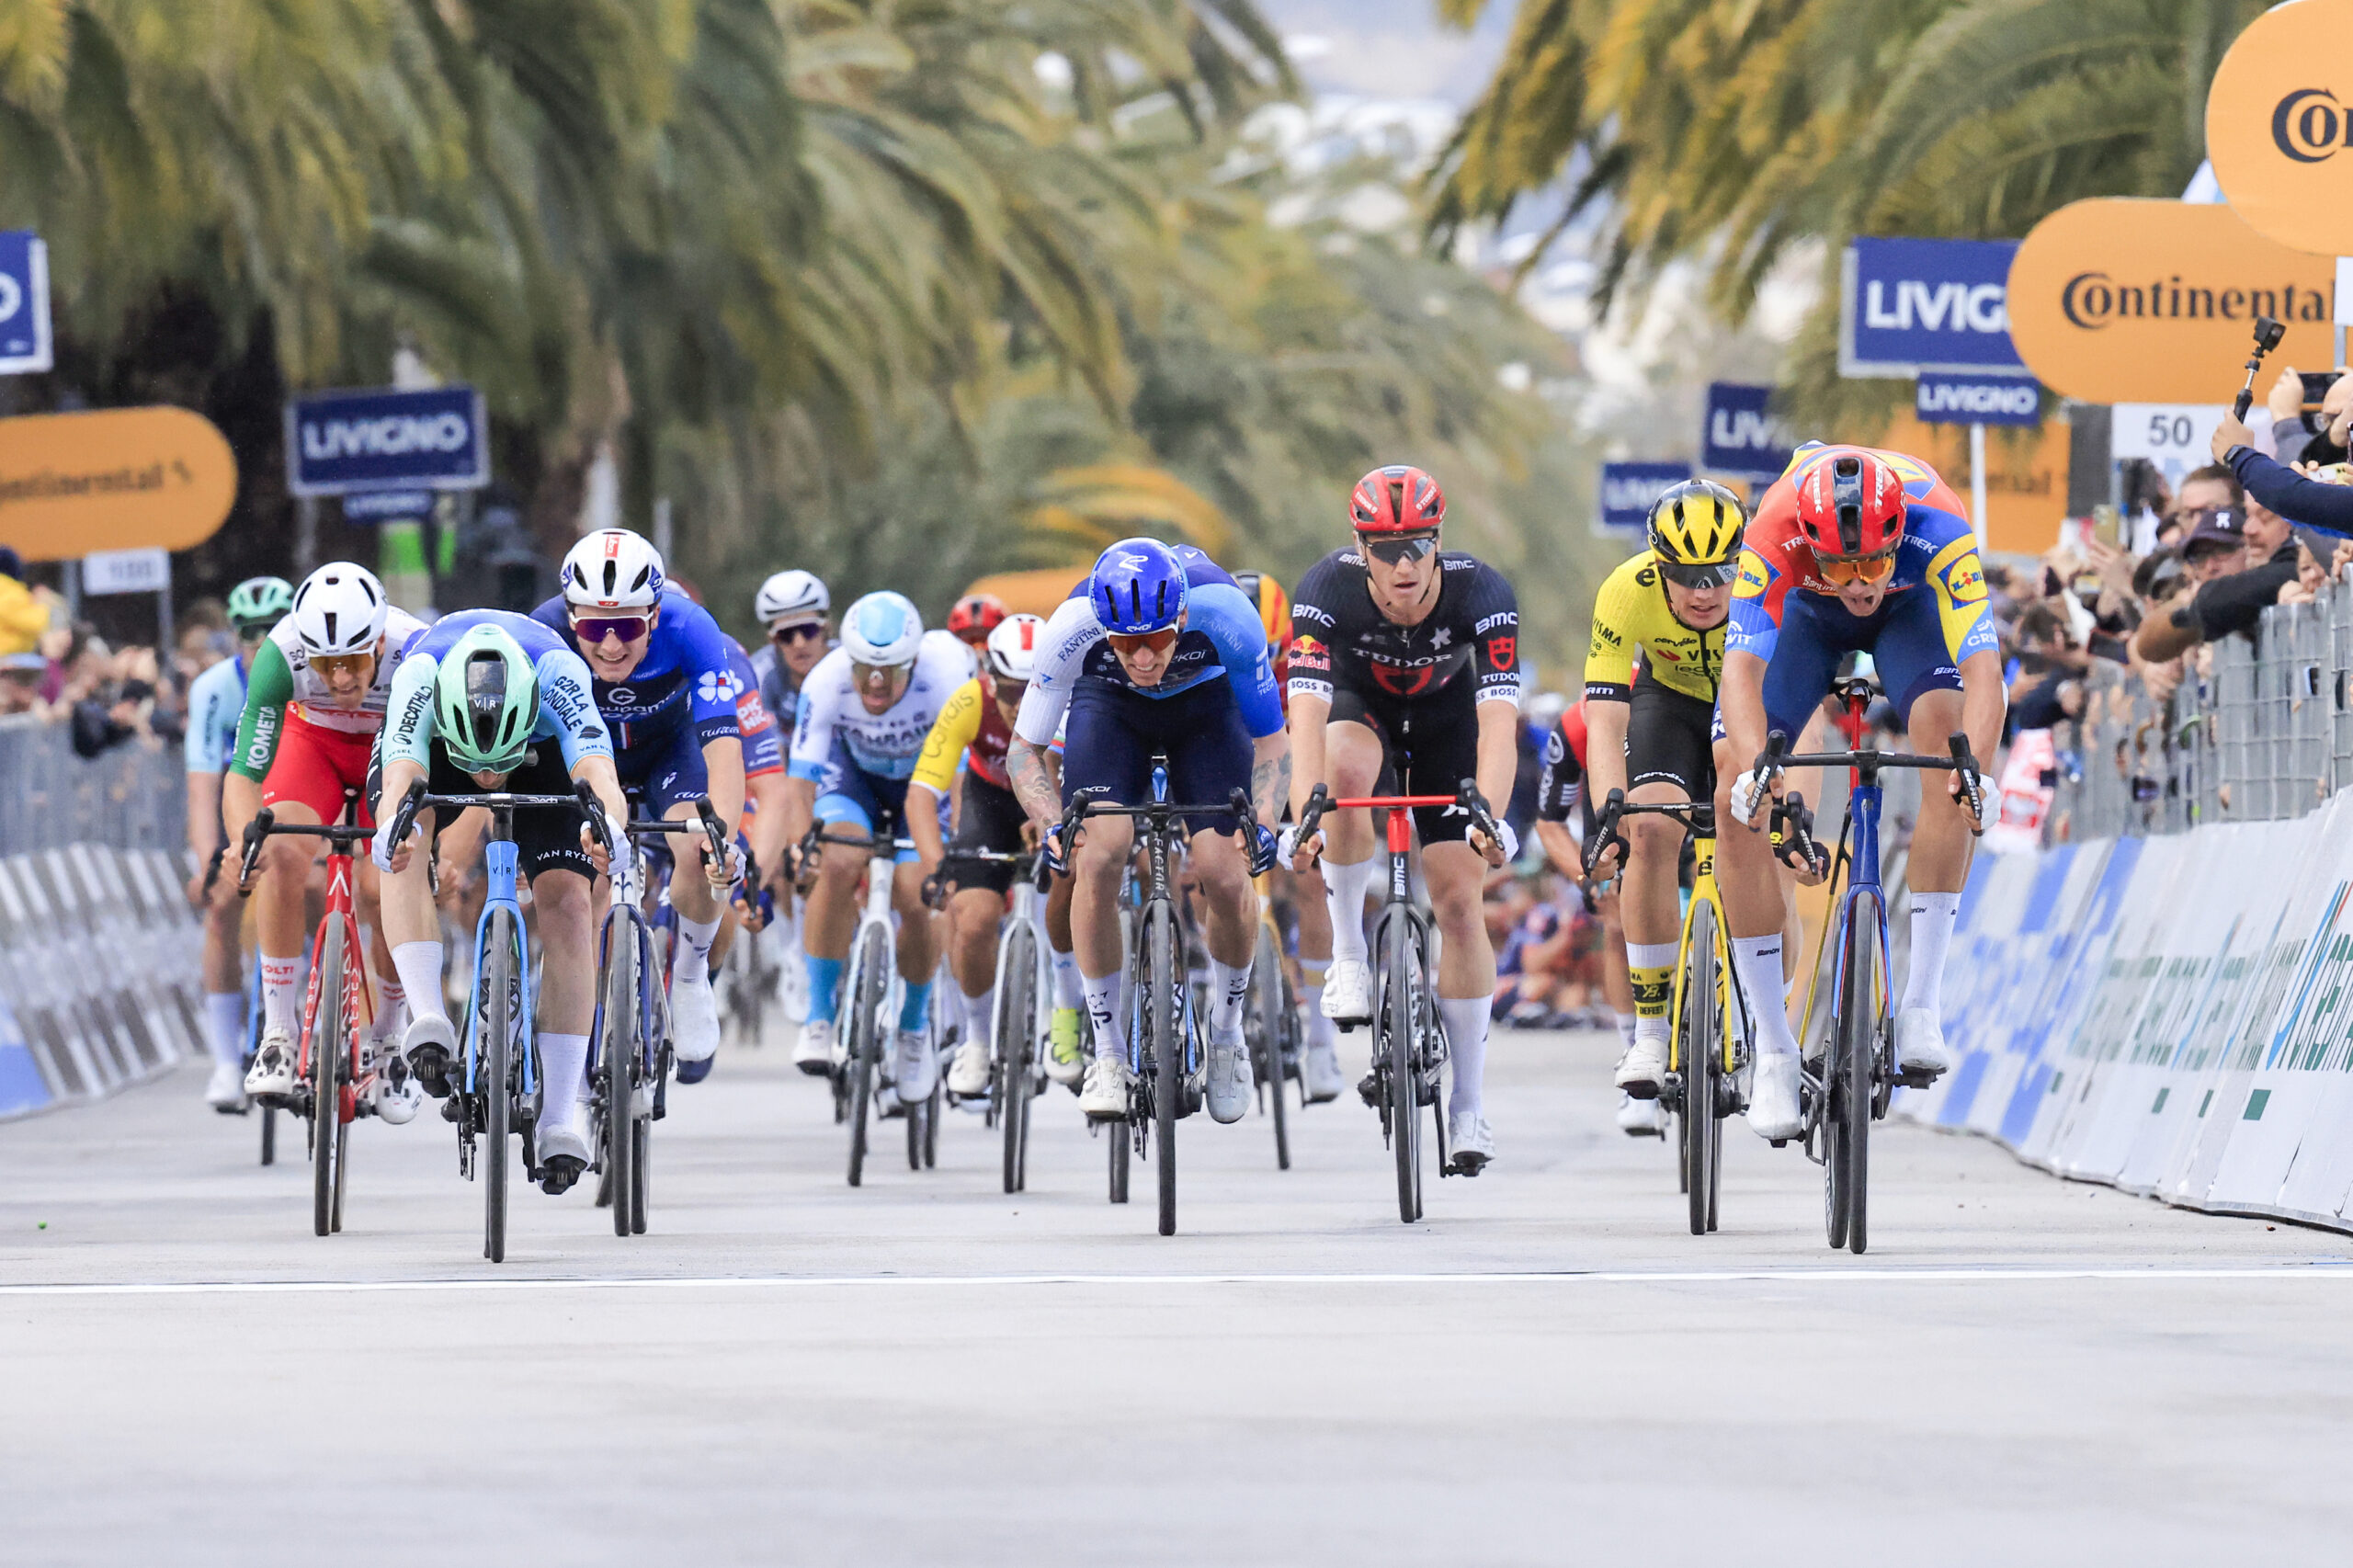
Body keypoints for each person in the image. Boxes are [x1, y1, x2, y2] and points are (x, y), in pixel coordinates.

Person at [1716, 444, 2003, 1142]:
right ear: (1810, 545)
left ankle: (1922, 1004)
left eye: (1874, 563)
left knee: (1947, 744)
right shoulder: (1772, 530)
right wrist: (1757, 770)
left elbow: (1986, 670)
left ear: (1898, 534)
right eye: (1842, 566)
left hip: (1914, 622)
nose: (1860, 582)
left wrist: (1979, 773)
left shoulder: (1939, 519)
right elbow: (1742, 674)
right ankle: (1775, 1053)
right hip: (1806, 629)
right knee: (1732, 776)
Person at [1284, 465, 1522, 1172]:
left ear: (1438, 540)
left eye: (1418, 545)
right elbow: (1306, 721)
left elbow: (1499, 726)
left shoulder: (1484, 591)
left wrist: (1492, 818)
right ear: (1360, 550)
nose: (1404, 564)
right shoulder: (1323, 592)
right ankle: (1352, 958)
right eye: (1386, 550)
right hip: (1365, 712)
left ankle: (1469, 1107)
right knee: (1345, 774)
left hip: (1451, 724)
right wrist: (1305, 815)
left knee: (1458, 900)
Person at [1004, 539, 1288, 1126]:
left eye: (1156, 639)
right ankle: (1107, 1055)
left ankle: (1228, 1037)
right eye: (1125, 642)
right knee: (1098, 855)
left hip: (1205, 707)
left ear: (1181, 617)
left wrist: (1263, 820)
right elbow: (1024, 750)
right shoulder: (1072, 626)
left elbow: (1271, 742)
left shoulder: (1230, 615)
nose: (1141, 657)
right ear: (1103, 626)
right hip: (1110, 710)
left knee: (1223, 871)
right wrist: (1051, 821)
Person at [370, 612, 630, 1194]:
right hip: (439, 751)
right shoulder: (420, 678)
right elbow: (400, 781)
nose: (488, 781)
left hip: (541, 759)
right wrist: (395, 831)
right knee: (404, 843)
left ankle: (560, 1115)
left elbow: (599, 774)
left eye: (497, 768)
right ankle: (428, 1014)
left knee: (568, 903)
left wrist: (609, 828)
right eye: (479, 771)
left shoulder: (559, 673)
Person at [531, 529, 745, 1068]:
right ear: (572, 617)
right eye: (596, 627)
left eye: (626, 626)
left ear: (653, 615)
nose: (610, 646)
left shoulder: (691, 627)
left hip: (670, 753)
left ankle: (691, 978)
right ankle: (576, 1053)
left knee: (700, 848)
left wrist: (724, 842)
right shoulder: (543, 631)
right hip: (584, 757)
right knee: (585, 887)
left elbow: (722, 747)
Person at [229, 566, 429, 1121]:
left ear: (380, 643)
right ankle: (278, 1032)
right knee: (280, 854)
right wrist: (245, 846)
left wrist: (442, 853)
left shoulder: (416, 650)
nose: (340, 679)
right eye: (325, 665)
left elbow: (446, 762)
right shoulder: (279, 653)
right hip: (311, 745)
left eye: (354, 662)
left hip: (390, 747)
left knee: (383, 881)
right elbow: (245, 770)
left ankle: (389, 1039)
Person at [1579, 479, 1745, 1109]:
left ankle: (1769, 1021)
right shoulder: (1625, 590)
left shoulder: (1764, 585)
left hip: (1747, 697)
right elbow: (1604, 720)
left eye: (1719, 573)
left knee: (1762, 833)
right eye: (1686, 575)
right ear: (1658, 564)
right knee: (1647, 827)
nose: (1705, 592)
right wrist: (1607, 811)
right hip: (1667, 703)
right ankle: (1649, 1034)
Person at [783, 591, 971, 1099]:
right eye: (865, 667)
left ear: (914, 661)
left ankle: (913, 1029)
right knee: (837, 861)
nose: (876, 681)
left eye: (891, 669)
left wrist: (953, 849)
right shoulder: (825, 681)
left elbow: (957, 783)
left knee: (917, 893)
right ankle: (819, 1018)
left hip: (922, 784)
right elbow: (799, 782)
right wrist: (805, 847)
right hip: (853, 782)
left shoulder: (945, 677)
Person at [909, 612, 1048, 1096]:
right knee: (972, 919)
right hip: (990, 804)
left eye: (1033, 692)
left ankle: (1071, 1017)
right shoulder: (969, 701)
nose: (1020, 705)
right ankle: (976, 1039)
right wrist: (938, 868)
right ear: (990, 681)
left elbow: (1068, 770)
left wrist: (1049, 818)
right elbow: (922, 795)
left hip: (1055, 796)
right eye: (1009, 692)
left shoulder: (1070, 699)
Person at [1231, 568, 1343, 1101]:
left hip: (1290, 765)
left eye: (1271, 652)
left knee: (1312, 883)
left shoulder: (1299, 658)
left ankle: (1320, 1045)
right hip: (1233, 765)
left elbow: (1310, 733)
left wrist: (1300, 817)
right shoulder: (1215, 649)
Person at [182, 576, 293, 1111]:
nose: (261, 640)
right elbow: (202, 785)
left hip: (291, 795)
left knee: (310, 885)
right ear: (234, 636)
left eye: (272, 628)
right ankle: (227, 1062)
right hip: (235, 804)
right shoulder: (211, 689)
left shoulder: (302, 679)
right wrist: (209, 861)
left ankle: (310, 1018)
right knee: (220, 908)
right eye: (249, 631)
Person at [747, 569, 832, 1017]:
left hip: (832, 772)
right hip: (776, 771)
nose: (800, 642)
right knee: (782, 851)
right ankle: (794, 952)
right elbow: (760, 757)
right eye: (787, 635)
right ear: (772, 639)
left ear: (827, 628)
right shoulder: (760, 674)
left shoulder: (844, 667)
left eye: (810, 630)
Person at [2130, 493, 2297, 664]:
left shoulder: (2283, 571)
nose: (2211, 566)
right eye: (2201, 557)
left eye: (2224, 551)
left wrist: (2205, 599)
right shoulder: (2202, 600)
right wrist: (2186, 601)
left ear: (2249, 550)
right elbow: (2147, 646)